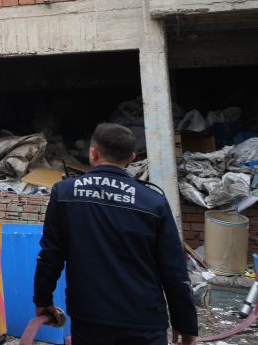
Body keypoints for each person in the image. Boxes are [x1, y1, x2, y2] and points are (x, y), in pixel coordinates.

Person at [33, 123, 198, 345]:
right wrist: (186, 324)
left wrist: (42, 300)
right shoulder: (153, 201)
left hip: (90, 318)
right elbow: (174, 270)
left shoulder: (64, 193)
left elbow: (50, 256)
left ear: (93, 152)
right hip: (144, 320)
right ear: (131, 157)